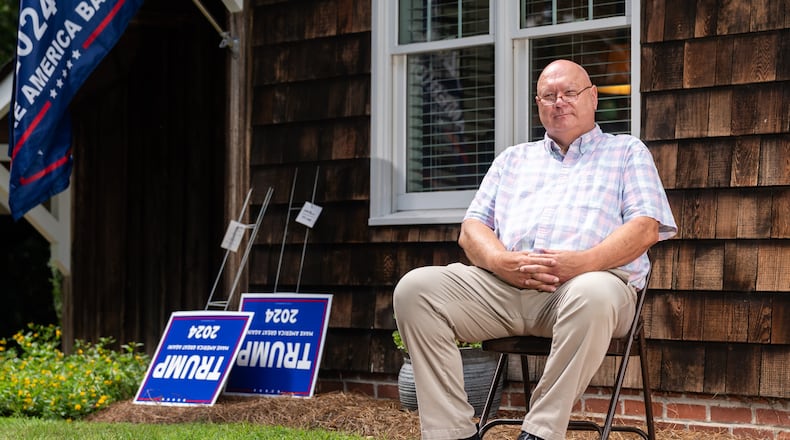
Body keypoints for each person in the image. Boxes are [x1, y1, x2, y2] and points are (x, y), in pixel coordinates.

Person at [392, 59, 677, 440]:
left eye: (569, 93)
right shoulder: (513, 159)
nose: (559, 102)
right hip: (504, 289)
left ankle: (541, 431)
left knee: (592, 293)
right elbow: (472, 228)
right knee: (416, 289)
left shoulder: (626, 152)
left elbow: (646, 228)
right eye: (548, 95)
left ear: (592, 98)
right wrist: (498, 260)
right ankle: (452, 432)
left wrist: (583, 264)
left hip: (585, 292)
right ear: (538, 104)